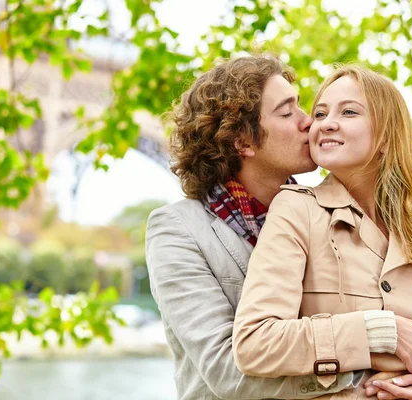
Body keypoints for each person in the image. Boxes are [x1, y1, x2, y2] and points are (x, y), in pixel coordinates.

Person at [232, 65, 412, 400]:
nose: (325, 122)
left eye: (349, 111)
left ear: (386, 135)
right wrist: (380, 332)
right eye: (321, 112)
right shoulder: (297, 210)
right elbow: (256, 343)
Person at [145, 55, 361, 400]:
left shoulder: (327, 214)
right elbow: (226, 370)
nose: (310, 122)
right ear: (242, 141)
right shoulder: (177, 229)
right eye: (288, 112)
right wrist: (358, 375)